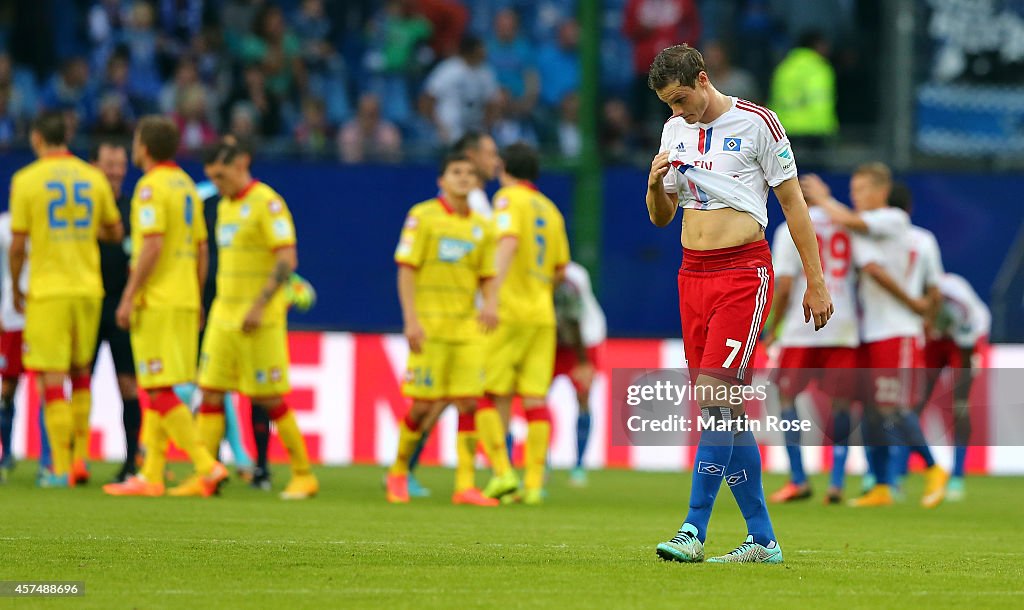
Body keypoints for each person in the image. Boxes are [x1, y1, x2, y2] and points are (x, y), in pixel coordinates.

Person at [645, 45, 832, 564]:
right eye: (668, 105)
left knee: (713, 397)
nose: (677, 112)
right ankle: (763, 540)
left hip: (741, 274)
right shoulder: (673, 130)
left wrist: (815, 282)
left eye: (681, 100)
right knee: (725, 411)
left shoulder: (758, 124)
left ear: (703, 80)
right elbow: (662, 216)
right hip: (692, 275)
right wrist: (655, 183)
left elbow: (793, 204)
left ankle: (692, 529)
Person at [804, 167, 948, 508]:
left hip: (895, 330)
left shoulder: (892, 218)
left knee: (892, 406)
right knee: (869, 411)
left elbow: (873, 268)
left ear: (882, 191)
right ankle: (881, 485)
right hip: (868, 332)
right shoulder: (864, 227)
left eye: (863, 188)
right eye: (853, 189)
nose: (856, 196)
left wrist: (824, 199)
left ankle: (933, 468)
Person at [102, 116, 228, 498]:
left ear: (144, 147)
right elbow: (203, 248)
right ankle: (151, 474)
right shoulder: (188, 187)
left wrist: (128, 296)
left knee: (157, 389)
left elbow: (152, 245)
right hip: (185, 297)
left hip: (157, 300)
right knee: (160, 387)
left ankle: (207, 465)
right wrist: (197, 295)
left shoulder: (150, 188)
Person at [195, 140, 319, 501]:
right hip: (224, 315)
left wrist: (260, 304)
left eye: (221, 176)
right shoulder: (225, 207)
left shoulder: (267, 203)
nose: (218, 185)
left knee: (269, 396)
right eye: (211, 179)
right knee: (211, 392)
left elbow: (286, 259)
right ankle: (206, 474)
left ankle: (303, 473)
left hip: (258, 318)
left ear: (242, 163)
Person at [8, 111, 124, 488]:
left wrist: (14, 286)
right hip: (89, 288)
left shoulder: (26, 180)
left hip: (49, 289)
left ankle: (57, 467)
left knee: (53, 381)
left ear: (38, 139)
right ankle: (78, 461)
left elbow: (19, 244)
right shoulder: (93, 179)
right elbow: (113, 229)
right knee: (81, 377)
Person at [385, 151, 501, 506]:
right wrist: (411, 320)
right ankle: (399, 471)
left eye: (469, 172)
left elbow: (486, 275)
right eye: (456, 172)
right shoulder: (423, 217)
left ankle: (465, 485)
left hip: (467, 328)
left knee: (469, 402)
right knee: (422, 407)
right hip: (430, 327)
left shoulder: (482, 227)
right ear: (442, 180)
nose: (463, 178)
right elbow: (406, 269)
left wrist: (491, 304)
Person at [477, 142, 570, 505]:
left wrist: (492, 296)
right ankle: (533, 484)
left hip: (508, 312)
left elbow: (508, 242)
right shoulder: (550, 208)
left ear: (503, 167)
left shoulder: (506, 199)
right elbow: (561, 269)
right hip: (541, 316)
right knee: (534, 399)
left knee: (488, 393)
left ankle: (502, 473)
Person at [764, 194, 859, 505]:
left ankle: (799, 478)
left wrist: (771, 328)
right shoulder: (845, 224)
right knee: (841, 404)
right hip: (842, 324)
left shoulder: (788, 228)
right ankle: (837, 481)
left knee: (786, 397)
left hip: (799, 327)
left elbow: (786, 284)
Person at [90, 139, 143, 484]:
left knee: (129, 385)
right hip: (88, 304)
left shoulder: (135, 210)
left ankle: (130, 462)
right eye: (109, 163)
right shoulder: (84, 211)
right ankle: (69, 461)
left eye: (120, 164)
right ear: (95, 165)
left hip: (123, 307)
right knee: (79, 382)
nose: (115, 171)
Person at [915, 272, 990, 501]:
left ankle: (957, 476)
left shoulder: (962, 310)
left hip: (965, 339)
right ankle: (894, 476)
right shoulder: (911, 292)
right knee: (914, 403)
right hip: (937, 337)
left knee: (959, 404)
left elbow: (965, 350)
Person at [553, 260, 606, 488]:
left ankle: (579, 466)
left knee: (583, 397)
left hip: (584, 340)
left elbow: (573, 320)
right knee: (534, 397)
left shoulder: (573, 277)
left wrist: (583, 362)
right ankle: (539, 464)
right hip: (551, 341)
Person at [0, 211, 29, 482]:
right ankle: (5, 453)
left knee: (48, 383)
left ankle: (50, 459)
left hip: (45, 312)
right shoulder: (4, 227)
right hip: (11, 316)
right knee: (7, 387)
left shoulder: (49, 225)